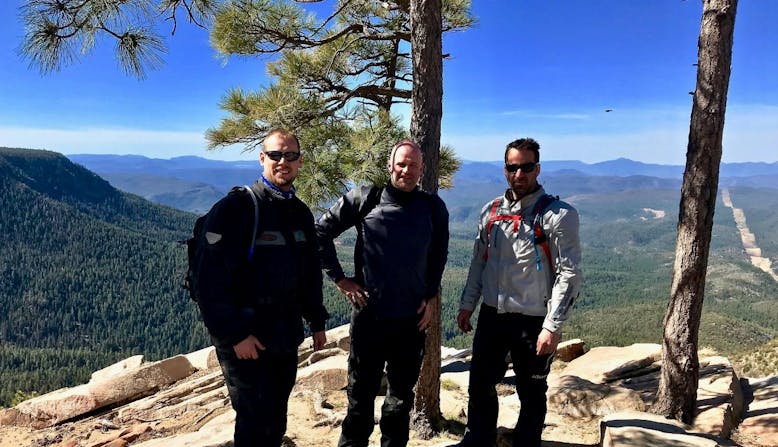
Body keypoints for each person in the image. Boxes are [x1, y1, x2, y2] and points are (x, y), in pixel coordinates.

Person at [196, 129, 329, 447]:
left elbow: (309, 273)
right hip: (247, 337)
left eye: (291, 155)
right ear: (262, 158)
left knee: (275, 419)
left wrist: (317, 322)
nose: (283, 161)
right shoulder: (237, 208)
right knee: (253, 424)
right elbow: (208, 279)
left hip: (285, 334)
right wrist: (234, 335)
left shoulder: (300, 212)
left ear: (299, 161)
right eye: (276, 155)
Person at [316, 140, 449, 447]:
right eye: (401, 164)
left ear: (422, 169)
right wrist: (340, 279)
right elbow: (321, 231)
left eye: (413, 165)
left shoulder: (432, 207)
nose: (406, 170)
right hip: (369, 319)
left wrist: (430, 297)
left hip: (410, 321)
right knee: (360, 399)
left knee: (399, 403)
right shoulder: (366, 198)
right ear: (390, 166)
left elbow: (438, 256)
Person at [456, 138, 582, 447]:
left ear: (537, 169)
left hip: (533, 318)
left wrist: (552, 326)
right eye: (513, 167)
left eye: (526, 167)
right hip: (492, 314)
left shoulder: (559, 215)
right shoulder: (490, 212)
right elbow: (478, 263)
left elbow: (569, 274)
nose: (519, 174)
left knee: (532, 391)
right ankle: (479, 441)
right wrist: (467, 304)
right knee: (480, 384)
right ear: (504, 170)